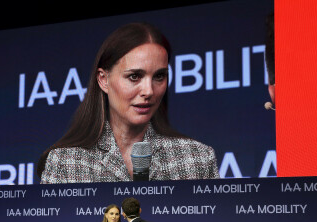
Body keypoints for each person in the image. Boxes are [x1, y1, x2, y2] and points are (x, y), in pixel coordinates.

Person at [38, 22, 219, 184]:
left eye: (159, 76)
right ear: (103, 80)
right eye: (134, 76)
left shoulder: (198, 159)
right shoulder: (65, 162)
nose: (148, 91)